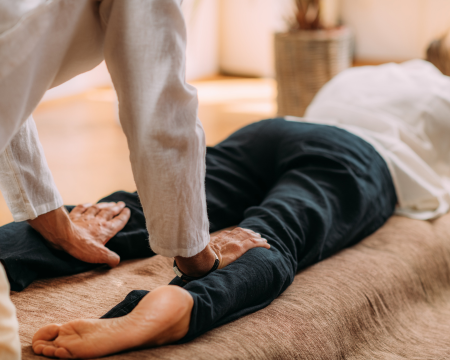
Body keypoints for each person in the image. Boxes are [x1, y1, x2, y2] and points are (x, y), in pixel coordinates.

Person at [30, 58, 450, 358]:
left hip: (273, 132)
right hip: (358, 157)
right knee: (272, 234)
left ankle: (11, 249)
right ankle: (188, 307)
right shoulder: (442, 91)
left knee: (141, 209)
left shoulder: (364, 75)